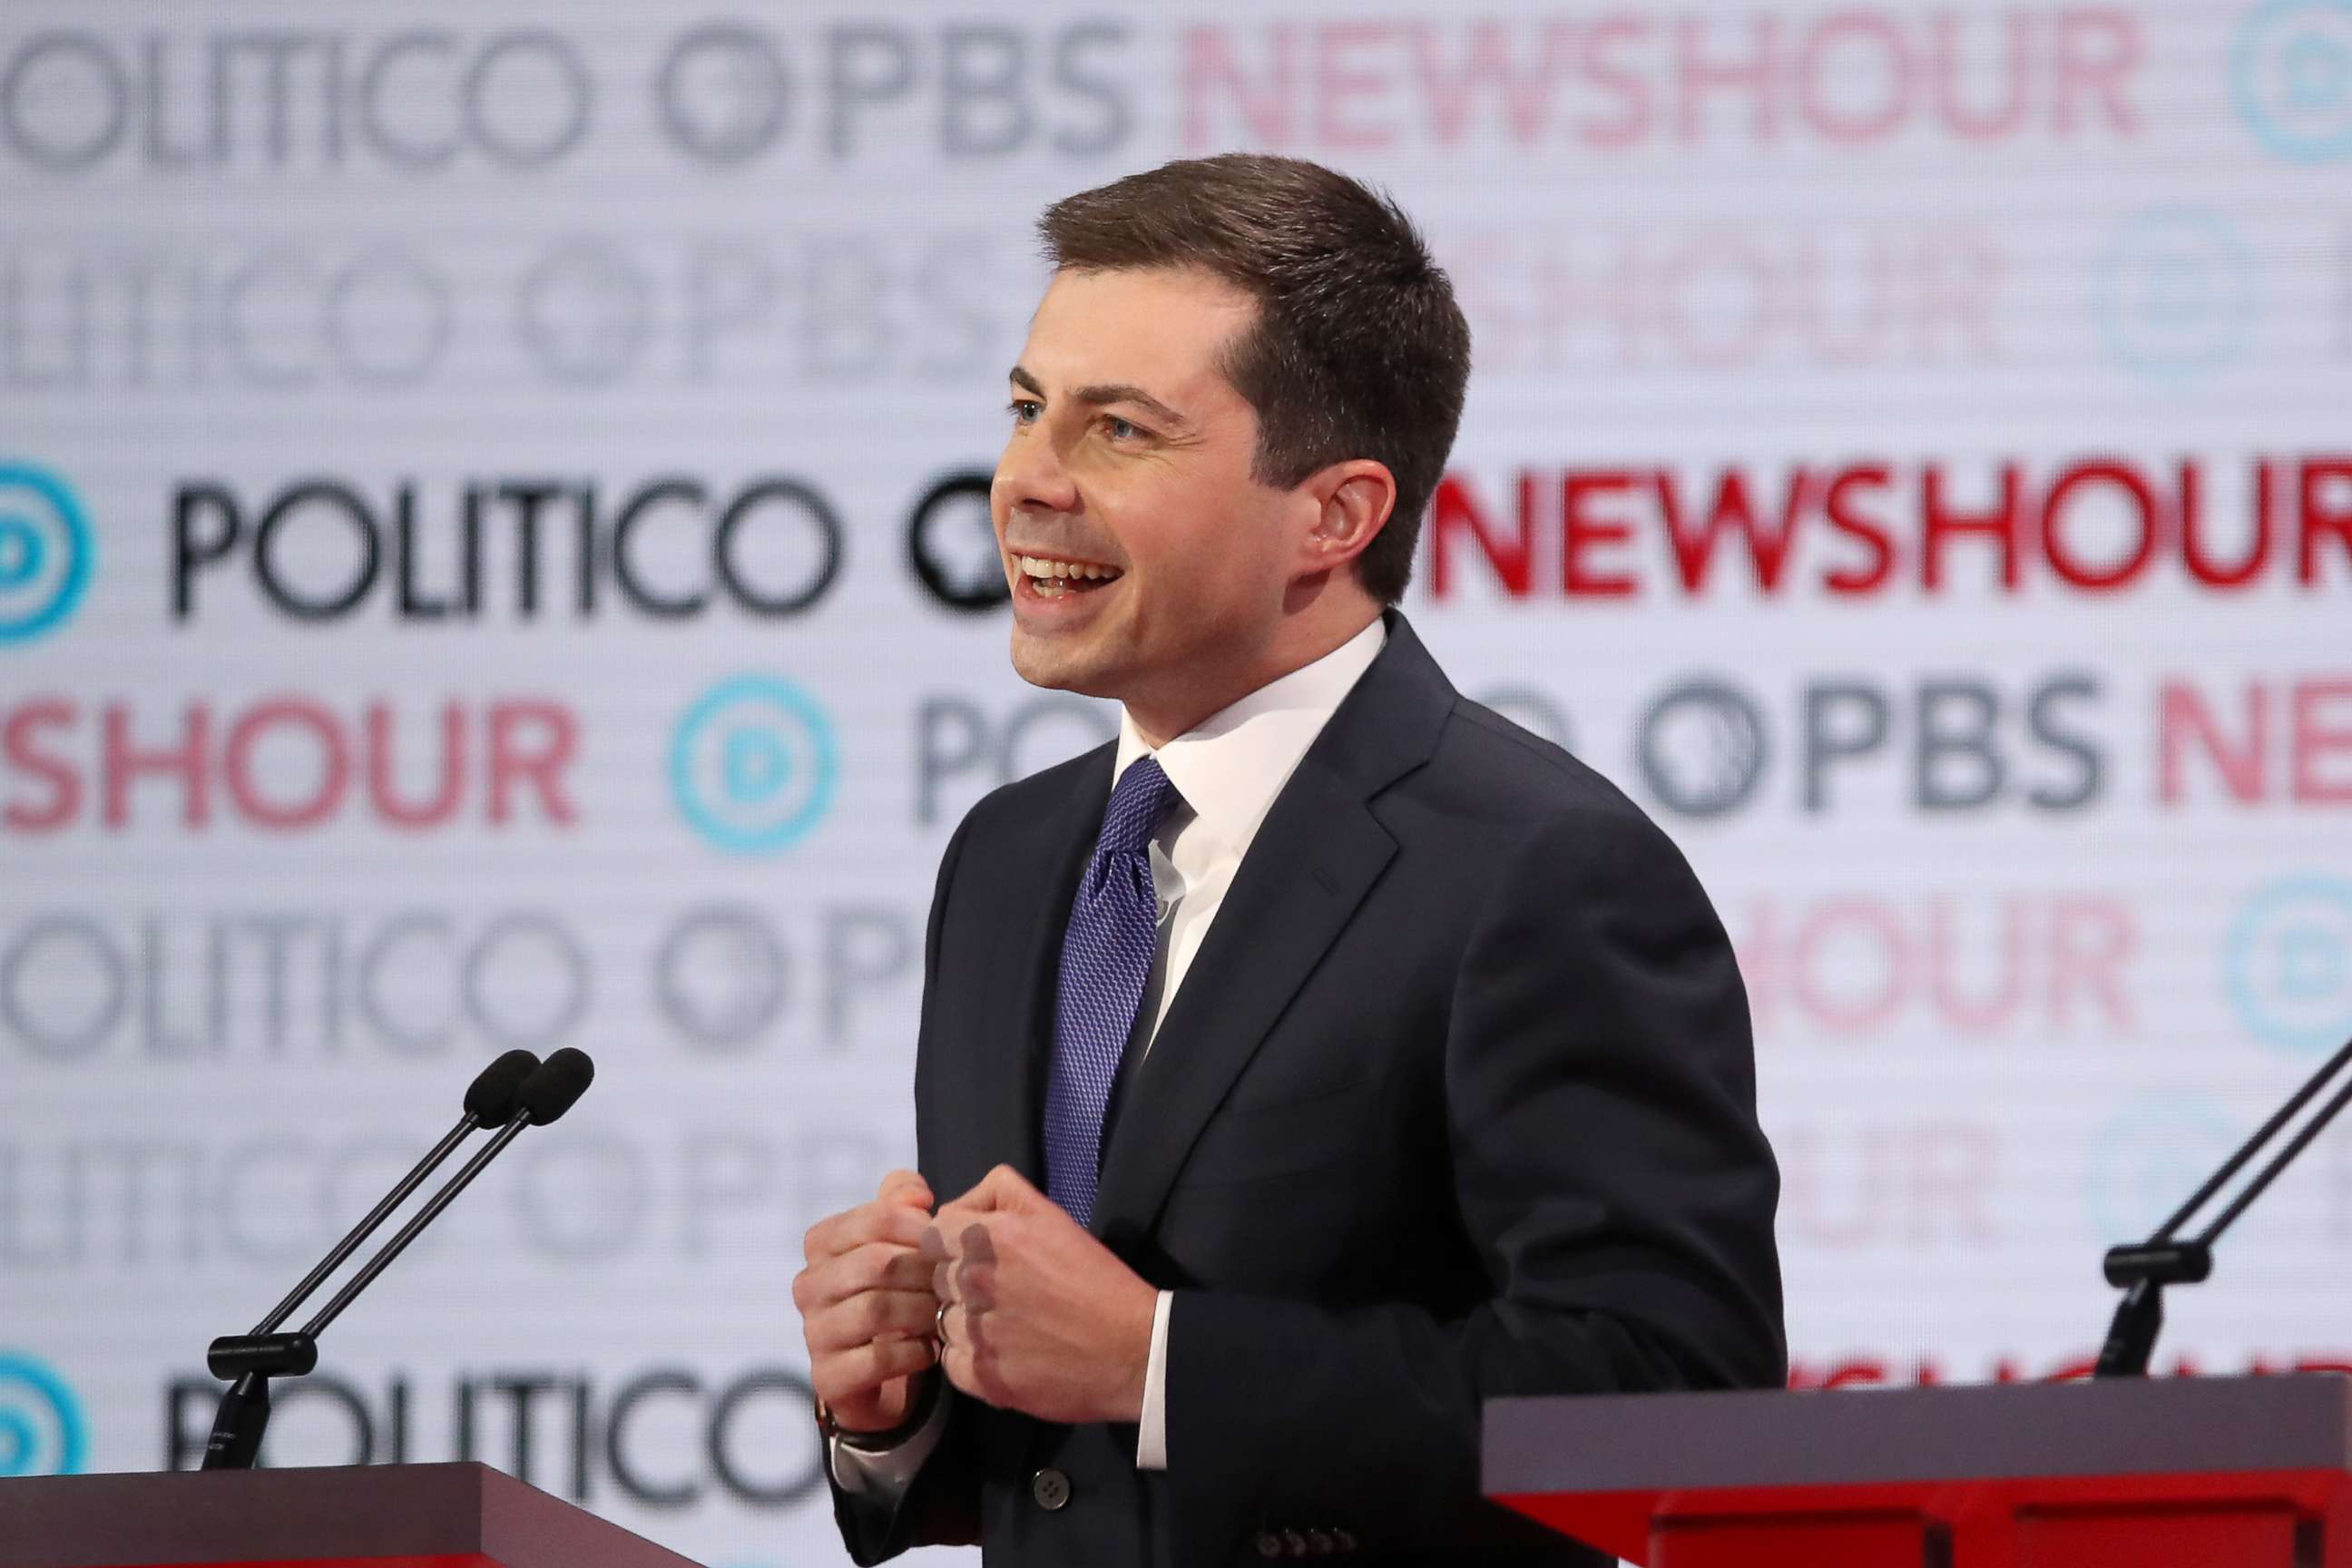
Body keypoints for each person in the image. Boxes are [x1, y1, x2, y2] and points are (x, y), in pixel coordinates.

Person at [792, 152, 1784, 1566]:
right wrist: (895, 1415)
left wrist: (1161, 1366)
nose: (1024, 483)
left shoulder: (1540, 871)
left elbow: (1675, 1401)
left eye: (1118, 430)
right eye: (1026, 410)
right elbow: (1053, 1469)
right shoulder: (1006, 861)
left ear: (1335, 514)